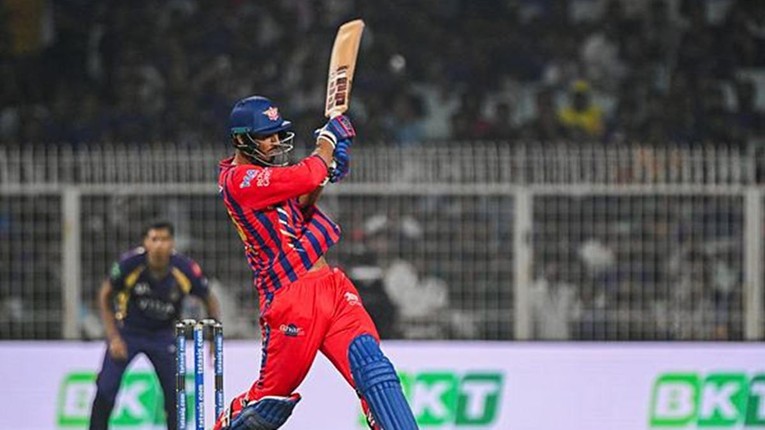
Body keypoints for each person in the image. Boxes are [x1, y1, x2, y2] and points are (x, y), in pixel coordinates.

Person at [214, 95, 418, 430]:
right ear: (241, 140)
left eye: (277, 133)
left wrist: (327, 170)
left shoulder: (267, 174)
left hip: (331, 288)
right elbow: (306, 176)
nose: (275, 141)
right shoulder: (239, 181)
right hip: (291, 297)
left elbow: (302, 202)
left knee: (375, 371)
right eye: (266, 136)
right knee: (267, 406)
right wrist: (326, 143)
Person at [89, 221, 221, 430]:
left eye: (165, 239)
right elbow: (105, 295)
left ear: (172, 243)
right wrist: (113, 337)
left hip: (163, 335)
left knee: (175, 394)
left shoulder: (184, 268)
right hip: (128, 332)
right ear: (146, 243)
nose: (159, 245)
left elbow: (210, 300)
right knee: (106, 388)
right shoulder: (130, 264)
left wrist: (213, 338)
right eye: (154, 239)